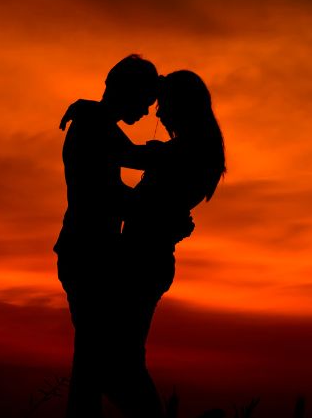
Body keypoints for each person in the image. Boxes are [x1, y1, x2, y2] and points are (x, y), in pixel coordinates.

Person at [101, 70, 227, 418]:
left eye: (164, 104)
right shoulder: (196, 150)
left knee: (117, 363)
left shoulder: (187, 152)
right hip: (147, 260)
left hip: (143, 261)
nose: (158, 113)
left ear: (182, 106)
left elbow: (124, 156)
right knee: (122, 360)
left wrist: (94, 114)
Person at [54, 54, 159, 418]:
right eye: (144, 101)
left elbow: (120, 172)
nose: (146, 112)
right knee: (94, 360)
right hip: (87, 254)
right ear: (126, 91)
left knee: (91, 359)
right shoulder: (93, 125)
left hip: (86, 252)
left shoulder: (95, 121)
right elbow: (111, 189)